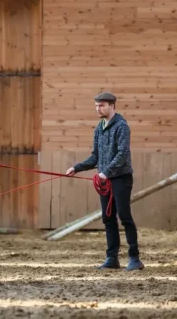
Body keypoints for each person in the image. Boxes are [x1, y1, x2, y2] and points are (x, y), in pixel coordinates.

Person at [65, 92, 144, 271]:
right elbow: (96, 157)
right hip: (105, 180)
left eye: (101, 105)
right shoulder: (99, 129)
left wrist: (106, 172)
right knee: (108, 218)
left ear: (112, 106)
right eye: (96, 106)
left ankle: (134, 258)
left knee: (124, 216)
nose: (98, 109)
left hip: (121, 178)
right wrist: (77, 168)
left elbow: (122, 154)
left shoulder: (122, 127)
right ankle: (112, 258)